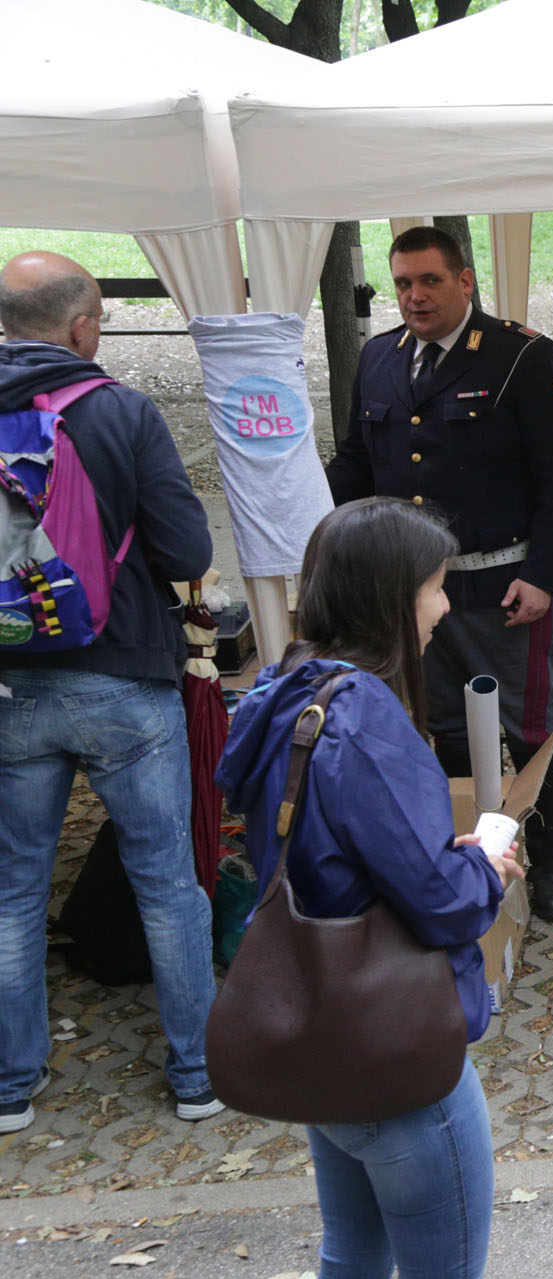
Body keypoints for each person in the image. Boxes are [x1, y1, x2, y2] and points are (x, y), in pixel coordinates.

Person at [218, 498, 524, 1279]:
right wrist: (488, 866)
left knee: (349, 1270)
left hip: (324, 1033)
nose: (440, 606)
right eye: (432, 586)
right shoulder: (370, 721)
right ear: (392, 595)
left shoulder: (283, 690)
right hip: (400, 1061)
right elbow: (437, 902)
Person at [0, 251, 223, 1134]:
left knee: (14, 889)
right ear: (85, 324)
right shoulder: (121, 412)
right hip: (124, 676)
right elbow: (188, 553)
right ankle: (198, 1073)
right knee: (167, 881)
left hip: (10, 687)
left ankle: (13, 1086)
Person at [324, 224, 553, 921]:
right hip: (411, 589)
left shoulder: (519, 358)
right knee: (436, 723)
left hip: (504, 585)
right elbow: (357, 461)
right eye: (404, 282)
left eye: (430, 281)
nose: (414, 296)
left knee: (529, 723)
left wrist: (546, 576)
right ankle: (462, 850)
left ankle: (552, 850)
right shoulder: (380, 358)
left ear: (465, 281)